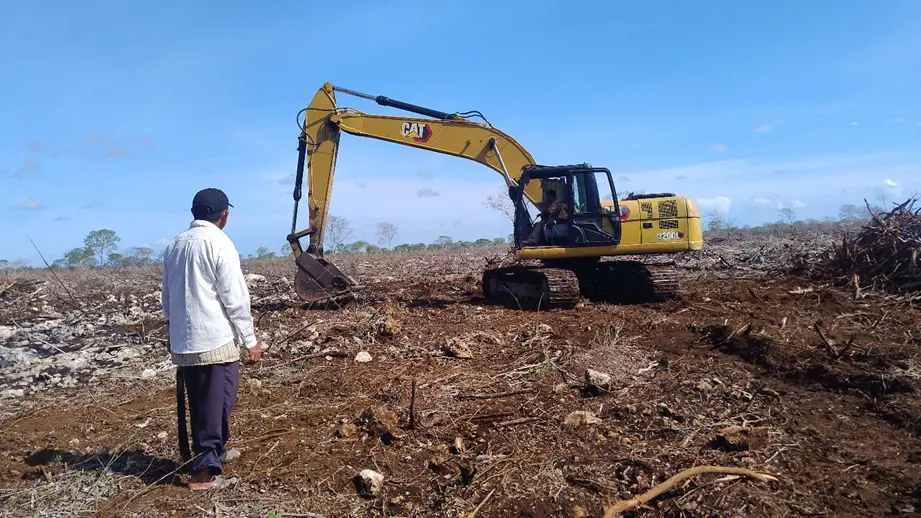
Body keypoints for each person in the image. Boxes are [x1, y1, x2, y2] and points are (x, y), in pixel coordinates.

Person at [161, 187, 262, 491]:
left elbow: (166, 296)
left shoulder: (174, 245)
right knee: (211, 403)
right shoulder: (219, 244)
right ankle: (203, 473)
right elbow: (235, 298)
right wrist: (250, 339)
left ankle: (215, 450)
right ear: (224, 216)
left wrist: (173, 328)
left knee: (217, 399)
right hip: (213, 339)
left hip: (188, 341)